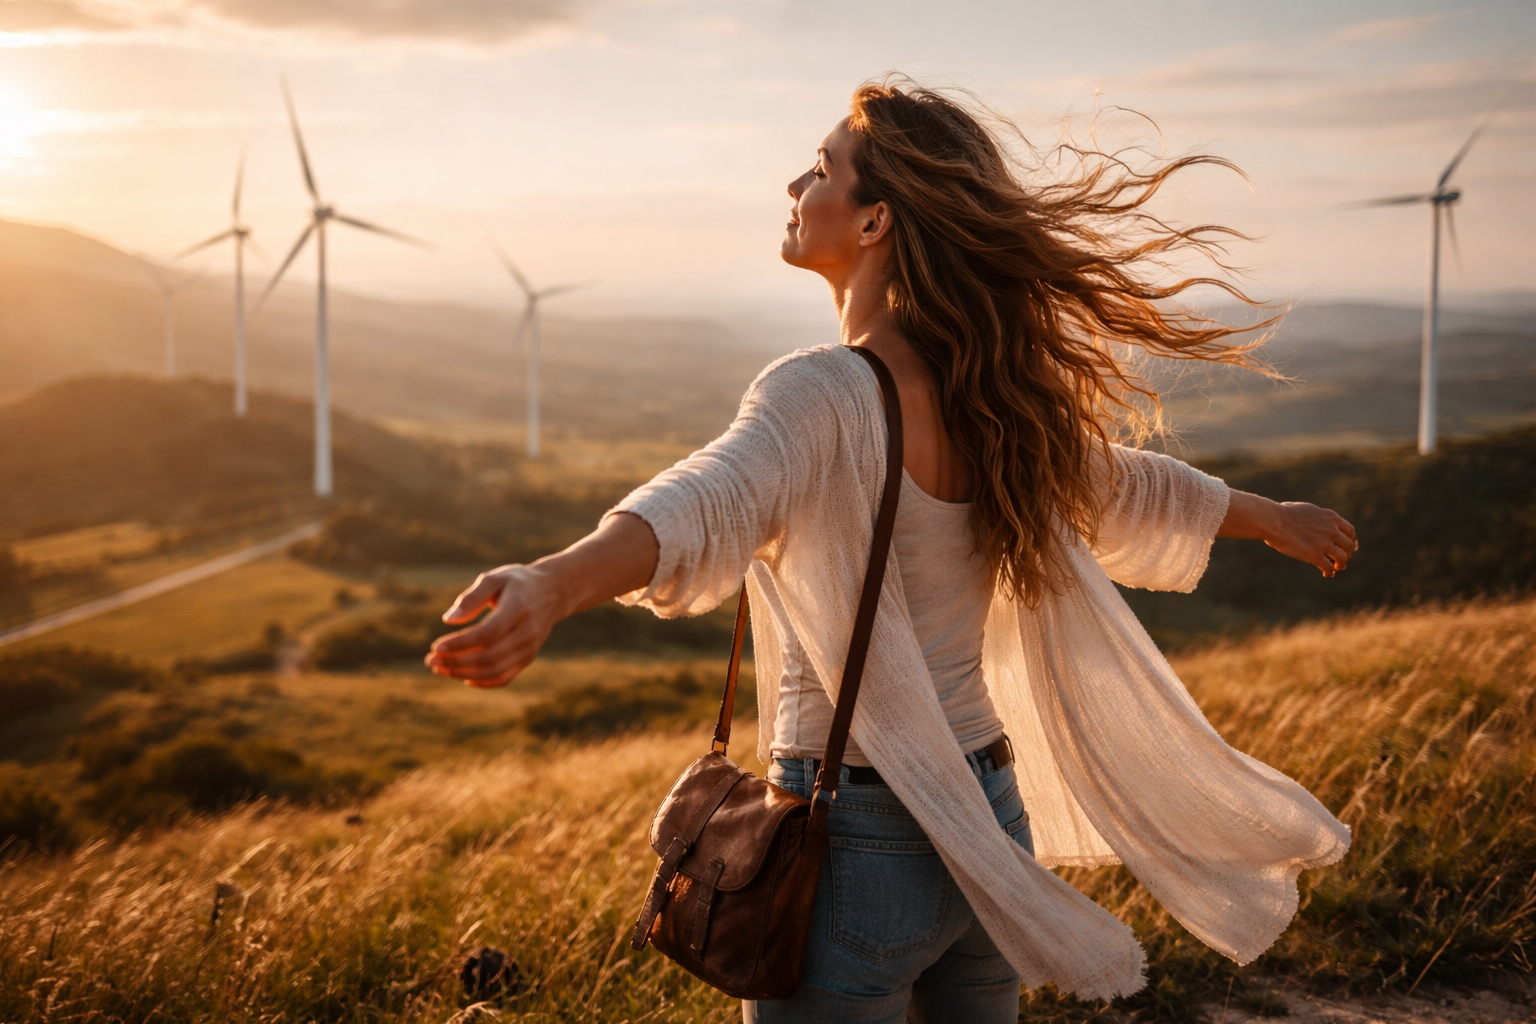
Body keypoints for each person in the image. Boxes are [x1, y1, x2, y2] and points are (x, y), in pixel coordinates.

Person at [426, 80, 1355, 1024]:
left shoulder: (821, 390)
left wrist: (553, 582)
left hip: (857, 838)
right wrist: (1269, 515)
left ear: (874, 220)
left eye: (822, 166)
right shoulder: (991, 394)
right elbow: (1123, 482)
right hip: (989, 819)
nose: (797, 180)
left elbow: (707, 497)